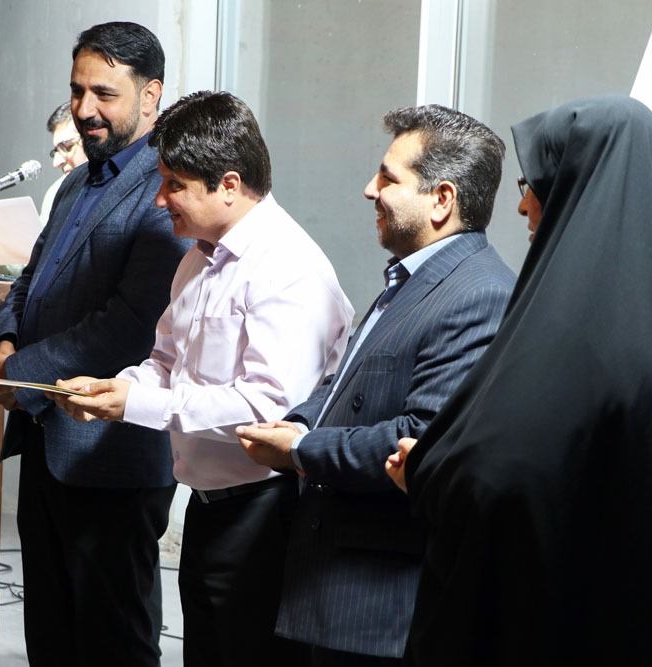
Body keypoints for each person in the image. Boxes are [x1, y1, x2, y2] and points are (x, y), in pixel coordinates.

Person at [386, 95, 652, 666]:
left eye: (532, 184)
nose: (522, 206)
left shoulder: (575, 336)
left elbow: (506, 481)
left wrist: (430, 470)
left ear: (579, 188)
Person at [53, 90, 354, 667]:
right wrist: (114, 387)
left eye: (174, 184)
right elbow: (167, 362)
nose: (159, 198)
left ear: (229, 185)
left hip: (269, 512)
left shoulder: (288, 267)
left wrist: (135, 405)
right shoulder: (198, 257)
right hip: (210, 506)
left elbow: (266, 411)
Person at [236, 104, 516, 666]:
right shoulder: (416, 275)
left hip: (377, 602)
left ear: (442, 200)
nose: (370, 189)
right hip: (333, 582)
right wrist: (298, 420)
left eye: (389, 178)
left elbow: (422, 438)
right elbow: (350, 379)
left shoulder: (478, 294)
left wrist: (301, 449)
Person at [0, 22, 191, 667]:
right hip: (48, 444)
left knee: (112, 642)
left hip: (111, 454)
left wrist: (21, 374)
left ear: (150, 95)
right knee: (51, 634)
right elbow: (29, 279)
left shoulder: (166, 187)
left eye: (105, 93)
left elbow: (131, 322)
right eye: (77, 91)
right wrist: (4, 340)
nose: (85, 109)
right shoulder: (77, 182)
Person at [0, 101, 88, 278]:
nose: (57, 162)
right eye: (55, 151)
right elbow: (32, 262)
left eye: (67, 147)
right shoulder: (57, 191)